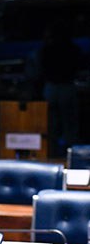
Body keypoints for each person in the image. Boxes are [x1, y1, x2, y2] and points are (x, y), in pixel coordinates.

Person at [39, 20, 84, 156]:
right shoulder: (72, 49)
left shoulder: (48, 49)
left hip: (58, 87)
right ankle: (59, 154)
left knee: (60, 124)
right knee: (59, 124)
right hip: (61, 87)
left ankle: (62, 154)